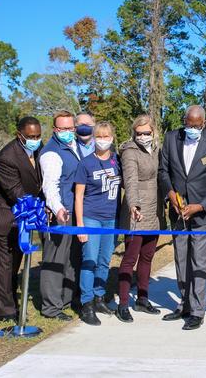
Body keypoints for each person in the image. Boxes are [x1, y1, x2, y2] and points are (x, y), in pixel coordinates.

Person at [158, 105, 206, 330]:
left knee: (198, 260)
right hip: (178, 210)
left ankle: (197, 311)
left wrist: (200, 205)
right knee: (181, 258)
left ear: (203, 124)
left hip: (202, 213)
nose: (192, 128)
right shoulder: (171, 139)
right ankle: (184, 303)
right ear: (184, 120)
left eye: (196, 126)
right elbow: (163, 171)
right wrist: (170, 195)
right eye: (188, 124)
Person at [0, 116, 43, 322]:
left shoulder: (39, 151)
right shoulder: (7, 157)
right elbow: (16, 192)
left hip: (21, 218)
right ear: (19, 135)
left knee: (14, 264)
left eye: (38, 135)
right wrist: (39, 210)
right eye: (31, 136)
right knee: (2, 266)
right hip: (2, 215)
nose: (36, 139)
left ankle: (12, 302)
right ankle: (3, 311)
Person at [116, 114, 166, 323]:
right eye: (139, 133)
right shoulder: (129, 151)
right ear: (134, 133)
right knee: (130, 258)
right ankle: (123, 304)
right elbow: (130, 180)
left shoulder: (156, 149)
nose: (143, 136)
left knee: (147, 257)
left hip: (155, 209)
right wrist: (133, 205)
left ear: (153, 132)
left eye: (147, 133)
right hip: (137, 210)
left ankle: (143, 298)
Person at [73, 121, 121, 326]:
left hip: (112, 218)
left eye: (106, 136)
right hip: (91, 217)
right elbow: (78, 197)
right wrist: (81, 225)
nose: (103, 140)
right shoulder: (85, 163)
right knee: (90, 260)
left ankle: (100, 297)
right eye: (99, 136)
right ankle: (87, 303)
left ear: (112, 138)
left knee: (104, 259)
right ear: (93, 138)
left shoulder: (117, 161)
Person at [39, 110, 82, 321]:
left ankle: (65, 300)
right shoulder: (51, 153)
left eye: (70, 128)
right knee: (55, 260)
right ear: (55, 129)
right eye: (62, 128)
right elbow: (50, 186)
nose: (67, 132)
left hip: (76, 211)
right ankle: (51, 308)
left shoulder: (74, 145)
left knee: (71, 259)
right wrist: (57, 209)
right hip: (62, 213)